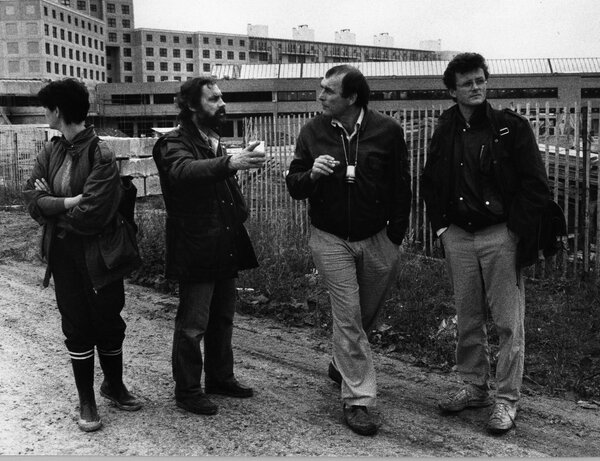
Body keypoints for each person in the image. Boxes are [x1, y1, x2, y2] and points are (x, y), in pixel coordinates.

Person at [421, 53, 550, 434]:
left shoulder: (510, 127)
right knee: (468, 318)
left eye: (480, 80)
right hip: (458, 236)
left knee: (509, 323)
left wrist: (514, 232)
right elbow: (430, 181)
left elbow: (535, 186)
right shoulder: (445, 127)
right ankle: (474, 387)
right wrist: (442, 228)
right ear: (452, 90)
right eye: (467, 83)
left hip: (499, 235)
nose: (476, 87)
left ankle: (507, 400)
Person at [285, 65, 412, 436]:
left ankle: (342, 361)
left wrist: (395, 235)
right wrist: (312, 175)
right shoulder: (312, 132)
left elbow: (401, 184)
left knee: (363, 314)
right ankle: (358, 400)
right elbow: (295, 185)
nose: (320, 97)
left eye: (328, 91)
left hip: (378, 237)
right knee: (348, 314)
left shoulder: (388, 131)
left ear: (352, 98)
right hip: (330, 237)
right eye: (321, 89)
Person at [24, 79, 142, 433]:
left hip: (101, 254)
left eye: (46, 108)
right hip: (63, 255)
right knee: (75, 324)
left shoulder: (101, 153)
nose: (45, 114)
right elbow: (31, 197)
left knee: (108, 320)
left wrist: (54, 209)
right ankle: (86, 399)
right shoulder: (52, 151)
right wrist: (67, 203)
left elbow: (92, 215)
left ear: (58, 111)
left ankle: (113, 385)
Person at [152, 77, 265, 416]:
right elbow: (184, 171)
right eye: (213, 99)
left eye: (221, 98)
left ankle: (220, 378)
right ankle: (187, 390)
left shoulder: (213, 141)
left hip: (224, 239)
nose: (221, 104)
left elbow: (215, 183)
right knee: (193, 324)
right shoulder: (172, 143)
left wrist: (235, 172)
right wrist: (231, 163)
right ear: (191, 106)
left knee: (223, 318)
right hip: (196, 243)